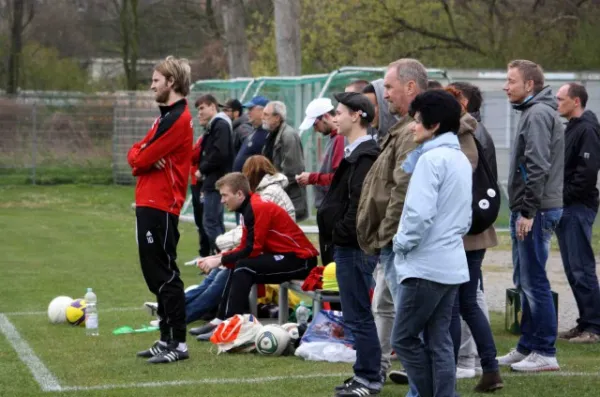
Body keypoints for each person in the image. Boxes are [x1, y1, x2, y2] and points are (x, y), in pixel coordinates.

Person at [391, 90, 472, 397]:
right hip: (450, 264)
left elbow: (418, 215)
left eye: (417, 121)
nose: (412, 126)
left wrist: (400, 244)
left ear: (434, 125)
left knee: (404, 339)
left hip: (425, 266)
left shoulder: (431, 160)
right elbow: (464, 219)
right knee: (439, 341)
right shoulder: (459, 158)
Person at [356, 58, 428, 387]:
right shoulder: (401, 128)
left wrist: (386, 234)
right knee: (383, 306)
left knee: (409, 317)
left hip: (398, 241)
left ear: (410, 87)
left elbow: (403, 187)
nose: (384, 95)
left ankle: (422, 385)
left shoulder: (413, 132)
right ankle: (378, 371)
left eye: (388, 87)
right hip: (389, 241)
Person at [498, 59, 564, 372]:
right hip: (533, 208)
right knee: (526, 280)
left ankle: (545, 352)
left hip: (536, 211)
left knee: (535, 282)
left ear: (529, 85)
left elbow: (537, 165)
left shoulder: (538, 113)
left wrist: (527, 211)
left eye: (511, 81)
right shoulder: (535, 111)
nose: (505, 86)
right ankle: (527, 347)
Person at [127, 56, 193, 364]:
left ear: (172, 83)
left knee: (165, 273)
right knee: (154, 275)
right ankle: (166, 337)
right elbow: (136, 153)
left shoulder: (177, 119)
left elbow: (139, 160)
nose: (152, 85)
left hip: (162, 204)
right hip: (148, 202)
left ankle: (178, 344)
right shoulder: (163, 117)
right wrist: (142, 155)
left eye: (156, 81)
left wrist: (142, 157)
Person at [318, 92, 381, 396]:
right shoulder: (356, 151)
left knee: (358, 314)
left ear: (357, 115)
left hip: (354, 248)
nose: (335, 117)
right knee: (355, 313)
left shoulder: (366, 154)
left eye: (339, 112)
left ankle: (369, 378)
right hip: (348, 246)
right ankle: (365, 374)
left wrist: (341, 233)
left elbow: (360, 206)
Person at [444, 86, 504, 392]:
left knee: (456, 304)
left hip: (463, 232)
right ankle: (490, 369)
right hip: (473, 230)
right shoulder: (472, 129)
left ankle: (450, 372)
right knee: (467, 303)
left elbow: (465, 170)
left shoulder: (463, 132)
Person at [197, 173, 318, 319]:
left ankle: (230, 322)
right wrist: (218, 257)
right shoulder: (249, 208)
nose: (222, 200)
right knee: (237, 265)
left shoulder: (256, 207)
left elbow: (252, 249)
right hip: (288, 257)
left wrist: (219, 261)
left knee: (242, 265)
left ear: (240, 194)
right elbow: (244, 247)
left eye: (225, 195)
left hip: (301, 261)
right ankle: (222, 320)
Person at [555, 83, 600, 343]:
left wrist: (563, 196)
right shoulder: (571, 128)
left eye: (561, 99)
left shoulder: (587, 130)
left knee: (582, 268)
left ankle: (594, 327)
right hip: (566, 206)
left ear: (576, 101)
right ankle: (584, 322)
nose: (557, 103)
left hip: (577, 206)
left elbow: (586, 173)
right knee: (573, 269)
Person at [296, 97, 345, 264]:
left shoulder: (339, 139)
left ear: (325, 117)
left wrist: (312, 178)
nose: (315, 130)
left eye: (315, 125)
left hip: (335, 210)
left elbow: (337, 179)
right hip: (329, 208)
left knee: (332, 261)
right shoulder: (333, 138)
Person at [196, 94, 234, 254]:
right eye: (198, 110)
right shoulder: (215, 125)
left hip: (216, 181)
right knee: (215, 221)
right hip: (216, 180)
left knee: (210, 222)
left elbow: (220, 153)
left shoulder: (220, 125)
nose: (199, 113)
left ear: (213, 106)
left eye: (202, 108)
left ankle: (223, 258)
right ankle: (222, 259)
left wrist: (202, 169)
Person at [262, 101, 308, 221]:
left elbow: (293, 170)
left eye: (266, 115)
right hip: (277, 195)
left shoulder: (288, 135)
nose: (263, 118)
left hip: (288, 198)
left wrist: (273, 185)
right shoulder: (271, 135)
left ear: (277, 117)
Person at [232, 96, 270, 172]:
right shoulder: (255, 130)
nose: (247, 112)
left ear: (263, 111)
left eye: (251, 109)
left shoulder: (268, 134)